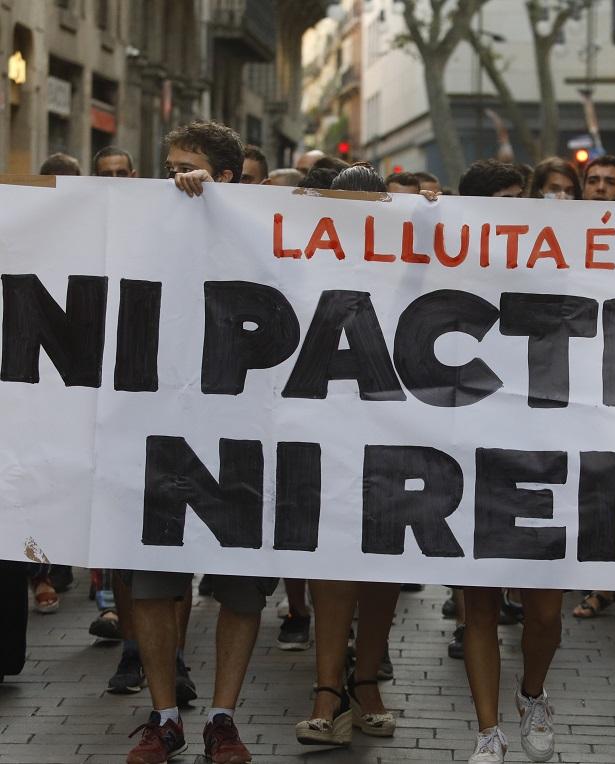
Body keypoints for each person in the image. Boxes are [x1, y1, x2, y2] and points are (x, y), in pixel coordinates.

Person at [125, 120, 275, 764]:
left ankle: (222, 719)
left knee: (240, 586)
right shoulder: (145, 223)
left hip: (245, 433)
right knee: (154, 578)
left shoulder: (266, 224)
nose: (173, 179)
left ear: (231, 176)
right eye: (168, 167)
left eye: (184, 167)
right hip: (165, 425)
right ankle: (163, 717)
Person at [453, 158, 560, 764]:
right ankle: (487, 730)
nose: (518, 206)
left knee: (544, 610)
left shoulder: (553, 260)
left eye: (521, 196)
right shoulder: (445, 262)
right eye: (504, 198)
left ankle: (533, 693)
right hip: (467, 453)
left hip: (543, 454)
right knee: (480, 606)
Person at [294, 171, 405, 752]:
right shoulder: (306, 248)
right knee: (333, 557)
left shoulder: (410, 252)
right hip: (327, 426)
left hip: (392, 425)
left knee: (380, 561)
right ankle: (327, 692)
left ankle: (364, 682)